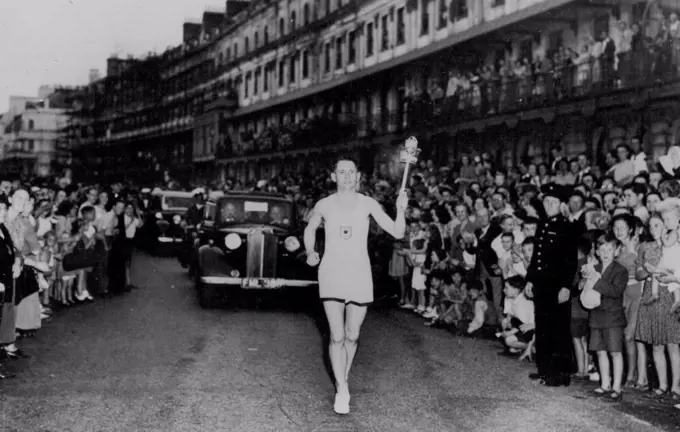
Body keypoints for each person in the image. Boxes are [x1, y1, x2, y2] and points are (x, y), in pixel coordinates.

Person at [303, 156, 407, 415]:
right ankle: (342, 389)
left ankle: (342, 381)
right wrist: (309, 250)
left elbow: (397, 232)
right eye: (342, 172)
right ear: (333, 177)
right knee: (336, 336)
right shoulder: (324, 204)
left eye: (352, 172)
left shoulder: (368, 203)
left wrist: (401, 210)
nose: (347, 176)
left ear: (358, 177)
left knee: (352, 335)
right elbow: (310, 228)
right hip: (331, 272)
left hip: (359, 273)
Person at [525, 183, 578, 387]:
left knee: (558, 330)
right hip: (542, 287)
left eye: (553, 202)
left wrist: (566, 286)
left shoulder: (566, 227)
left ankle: (559, 374)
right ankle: (545, 370)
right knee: (544, 327)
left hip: (557, 288)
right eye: (546, 202)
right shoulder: (544, 226)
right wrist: (530, 279)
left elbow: (570, 260)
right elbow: (536, 259)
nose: (549, 205)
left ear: (561, 204)